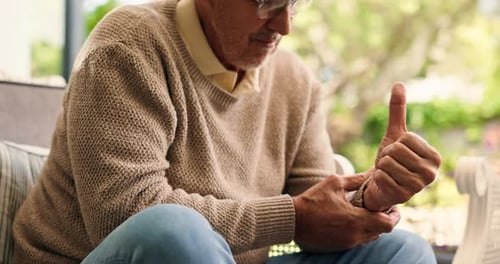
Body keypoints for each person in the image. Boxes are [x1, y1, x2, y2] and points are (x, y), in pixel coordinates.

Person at [12, 0, 442, 263]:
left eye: (295, 1)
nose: (284, 25)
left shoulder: (295, 80)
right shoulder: (129, 45)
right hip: (97, 257)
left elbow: (319, 216)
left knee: (404, 252)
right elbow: (123, 214)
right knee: (174, 232)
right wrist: (291, 215)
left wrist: (369, 198)